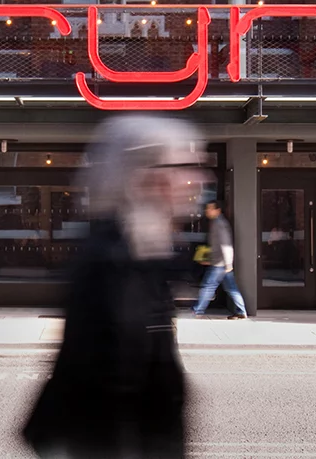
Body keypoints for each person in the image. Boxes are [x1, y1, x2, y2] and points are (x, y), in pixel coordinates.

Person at [23, 116, 206, 459]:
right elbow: (106, 402)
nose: (198, 178)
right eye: (184, 165)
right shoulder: (111, 267)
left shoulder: (149, 255)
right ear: (145, 176)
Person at [191, 199, 249, 319]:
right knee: (231, 288)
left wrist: (228, 264)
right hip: (220, 263)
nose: (207, 210)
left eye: (210, 208)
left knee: (208, 286)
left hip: (220, 264)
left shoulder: (220, 223)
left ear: (217, 210)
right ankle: (241, 311)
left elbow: (226, 244)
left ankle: (197, 310)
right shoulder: (216, 223)